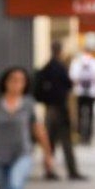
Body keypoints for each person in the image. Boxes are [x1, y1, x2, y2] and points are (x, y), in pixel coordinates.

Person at [33, 41, 87, 181]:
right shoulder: (60, 67)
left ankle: (50, 170)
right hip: (59, 109)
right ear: (59, 51)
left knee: (50, 142)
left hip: (50, 109)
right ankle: (71, 171)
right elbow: (68, 85)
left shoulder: (47, 67)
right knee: (65, 142)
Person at [69, 49, 95, 144]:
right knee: (86, 115)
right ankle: (84, 136)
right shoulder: (92, 63)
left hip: (87, 93)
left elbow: (73, 77)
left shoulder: (81, 63)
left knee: (84, 115)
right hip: (83, 93)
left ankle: (85, 136)